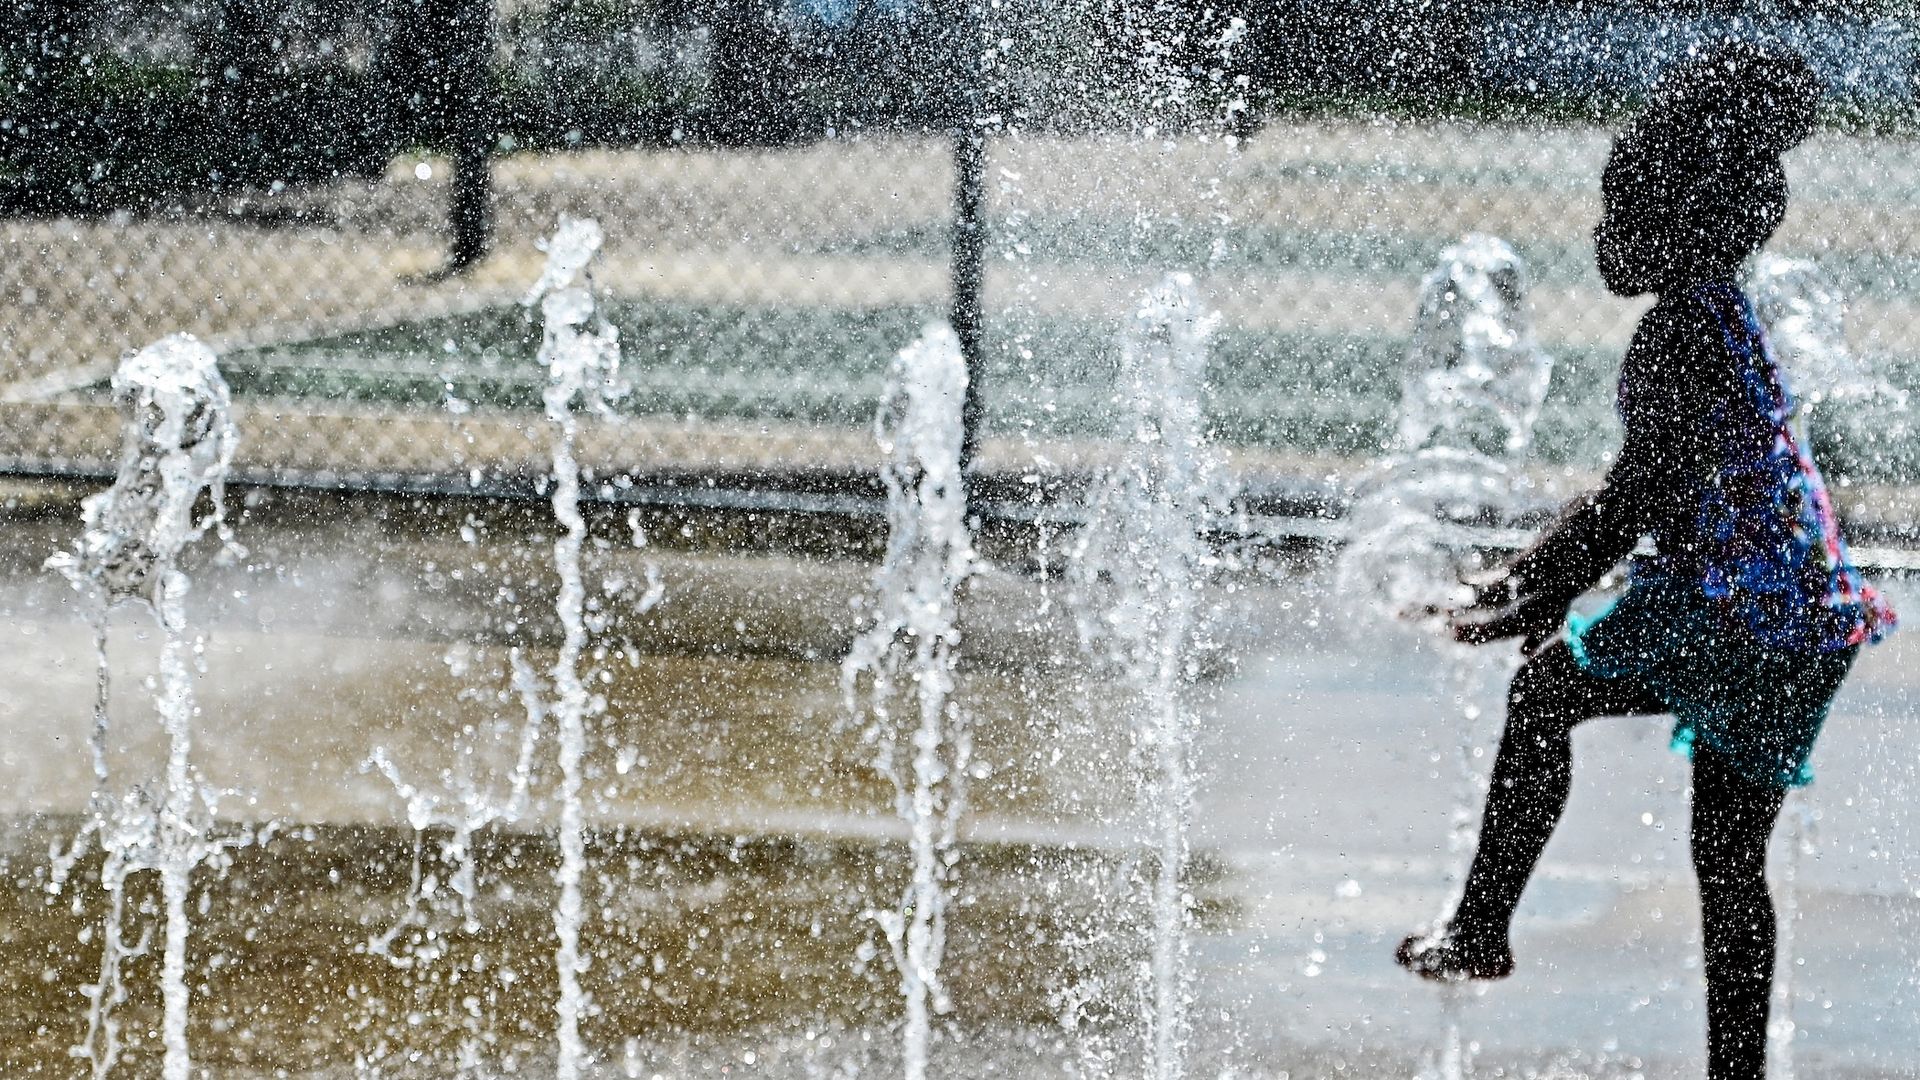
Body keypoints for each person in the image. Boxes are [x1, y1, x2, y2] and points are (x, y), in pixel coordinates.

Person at [1393, 43, 1897, 1080]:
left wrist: (1529, 590)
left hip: (1732, 603)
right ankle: (1738, 1072)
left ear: (1681, 227)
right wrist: (1535, 580)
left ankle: (1480, 932)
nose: (1601, 236)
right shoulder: (1721, 320)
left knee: (1540, 698)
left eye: (1622, 215)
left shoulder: (1680, 334)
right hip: (1804, 610)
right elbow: (1642, 496)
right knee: (1729, 859)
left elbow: (1633, 499)